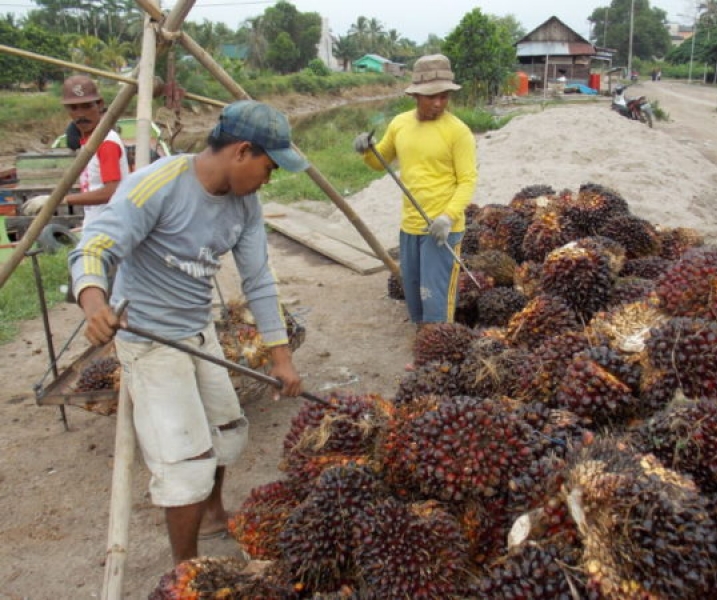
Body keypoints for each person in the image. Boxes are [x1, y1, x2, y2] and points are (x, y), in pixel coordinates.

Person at [68, 99, 307, 564]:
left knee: (229, 432)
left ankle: (214, 514)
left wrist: (282, 359)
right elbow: (93, 249)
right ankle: (187, 567)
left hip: (199, 330)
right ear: (242, 152)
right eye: (269, 166)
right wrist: (95, 303)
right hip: (150, 341)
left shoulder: (246, 205)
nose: (269, 178)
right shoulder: (158, 184)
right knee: (185, 465)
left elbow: (258, 279)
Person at [353, 54, 477, 327]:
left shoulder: (458, 132)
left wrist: (447, 217)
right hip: (410, 226)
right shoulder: (400, 124)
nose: (438, 103)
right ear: (416, 95)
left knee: (436, 301)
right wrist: (366, 148)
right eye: (432, 96)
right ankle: (424, 351)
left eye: (444, 96)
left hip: (442, 230)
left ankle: (437, 358)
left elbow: (467, 181)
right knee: (415, 296)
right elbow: (378, 162)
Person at [23, 75, 130, 223]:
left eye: (87, 106)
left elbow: (112, 191)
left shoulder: (106, 143)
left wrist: (59, 200)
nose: (80, 114)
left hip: (111, 225)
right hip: (97, 222)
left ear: (99, 104)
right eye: (74, 108)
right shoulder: (88, 141)